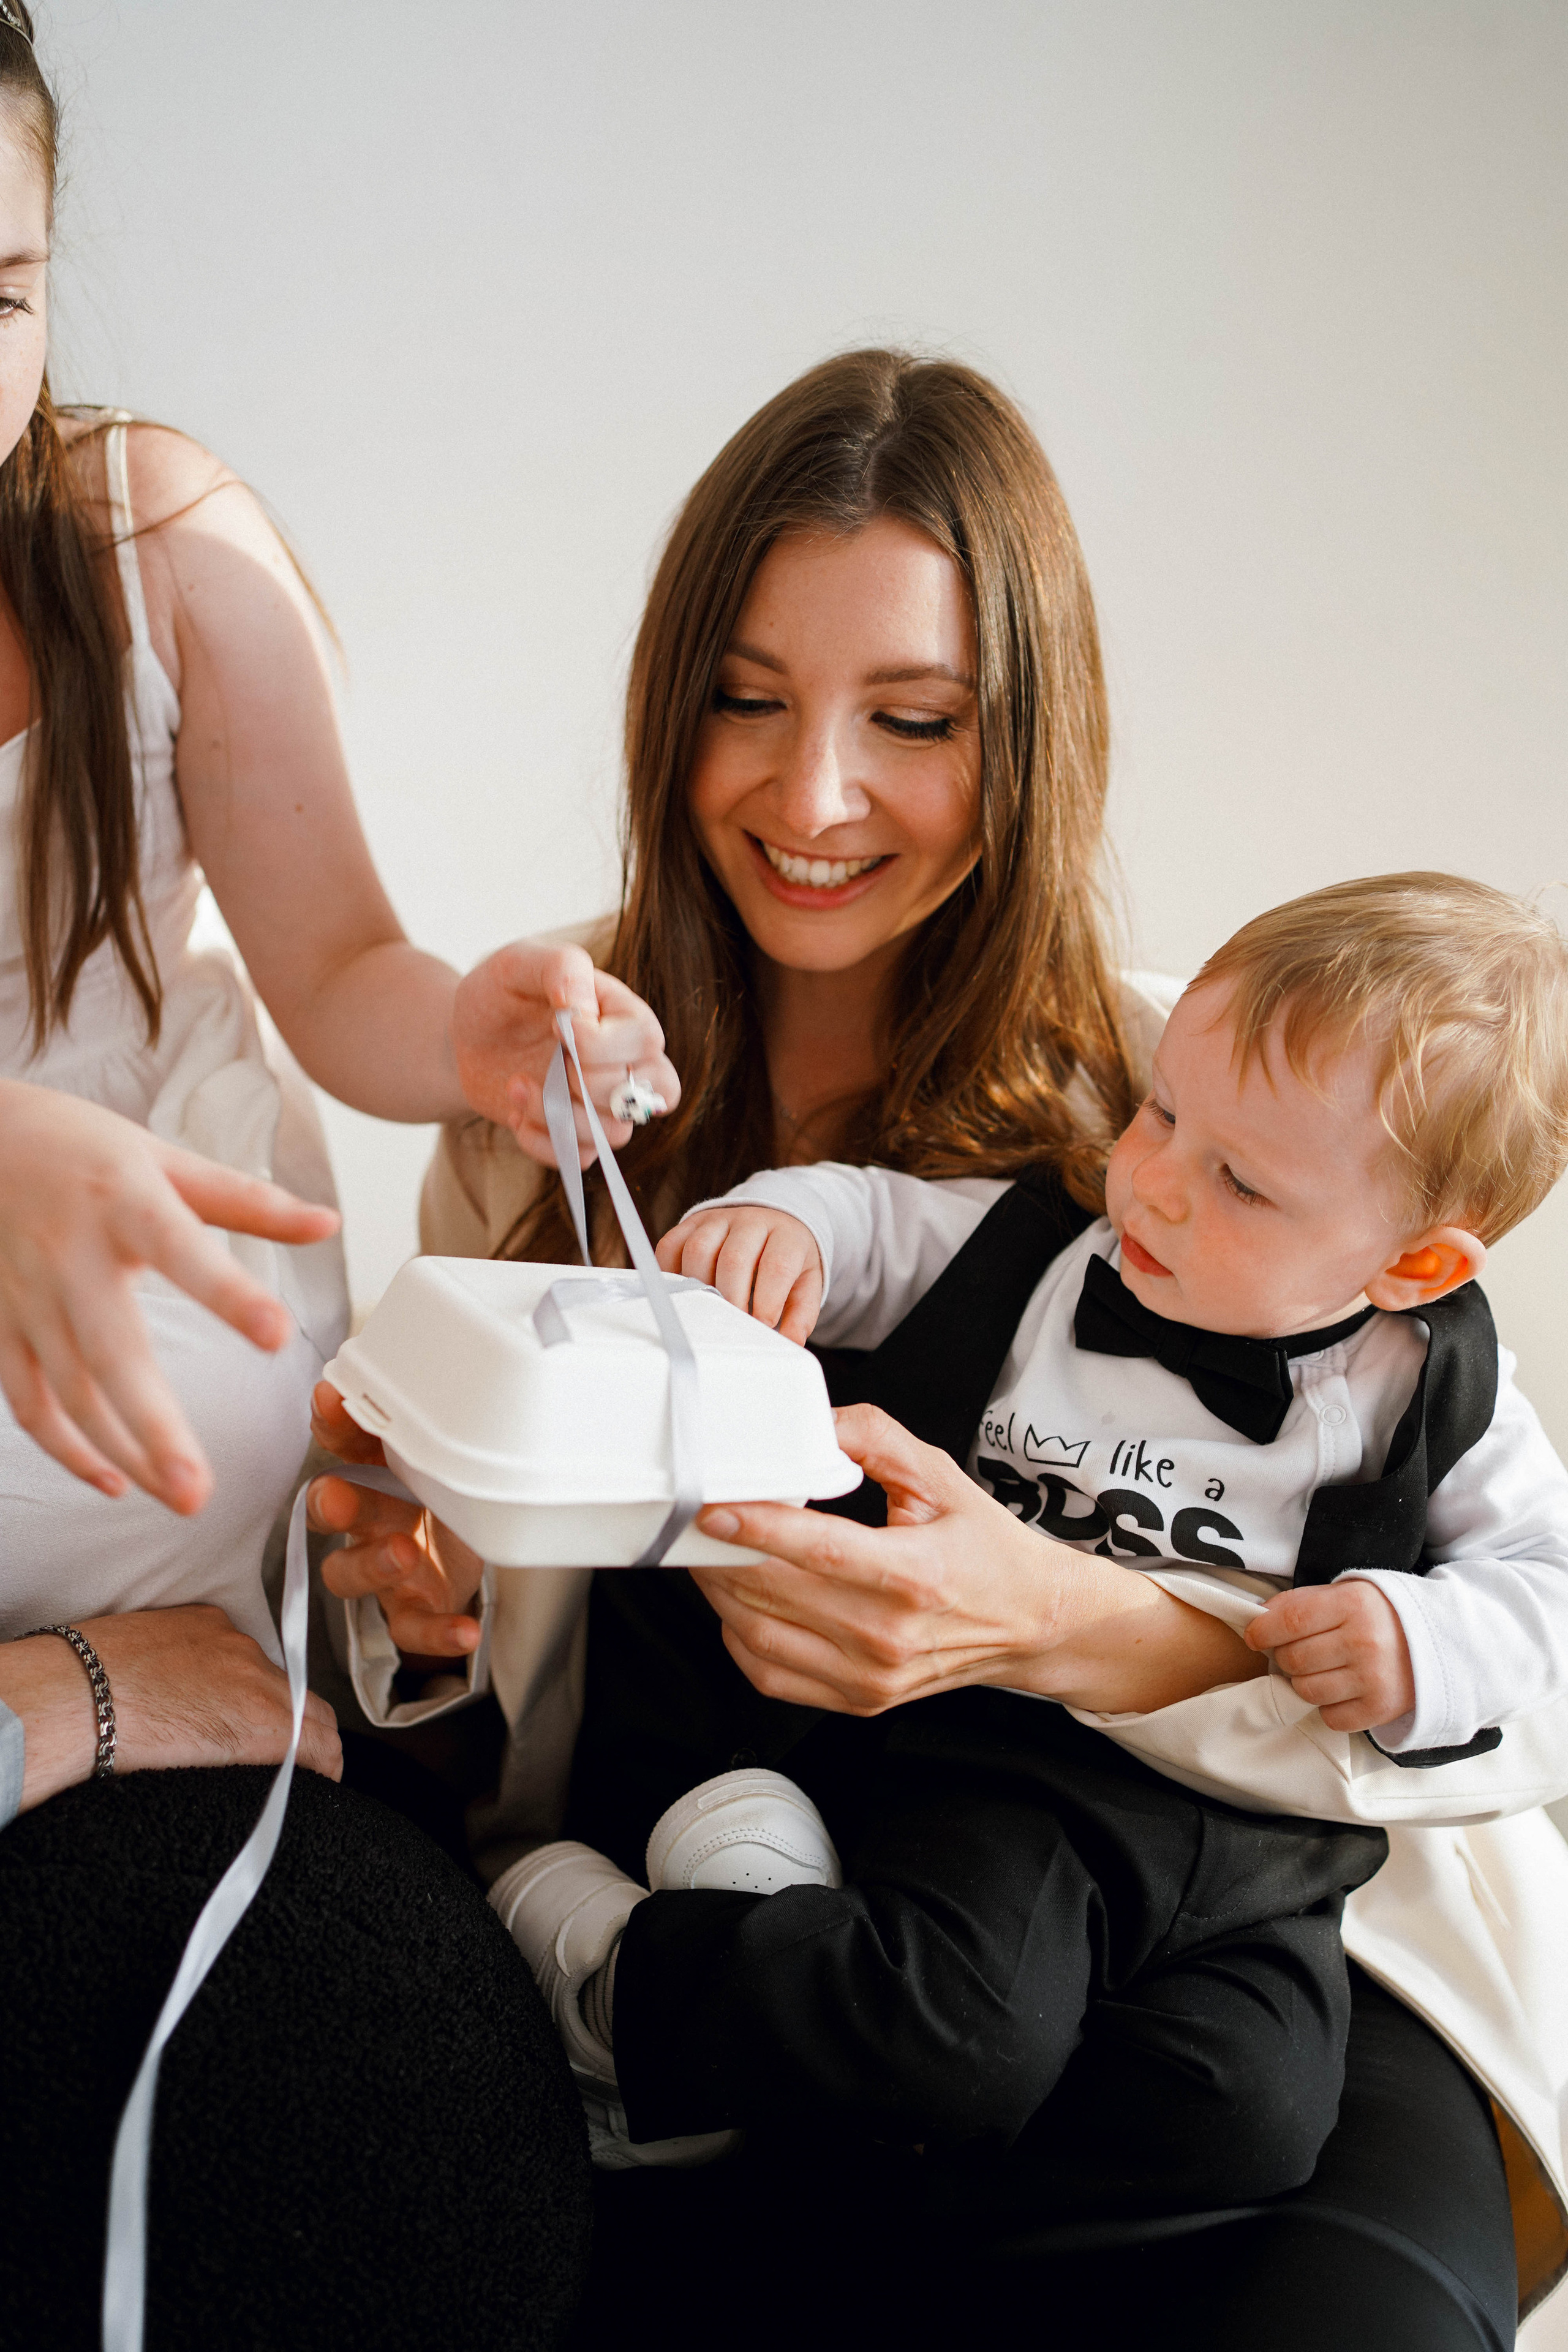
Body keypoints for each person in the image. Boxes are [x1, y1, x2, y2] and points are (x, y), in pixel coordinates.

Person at [313, 350, 1568, 2346]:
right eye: (747, 699)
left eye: (913, 721)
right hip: (783, 1911)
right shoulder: (551, 1103)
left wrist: (1069, 1626)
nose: (814, 797)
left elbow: (1498, 1670)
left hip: (1268, 1939)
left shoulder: (1196, 1088)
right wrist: (427, 1609)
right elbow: (494, 1680)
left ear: (1029, 739)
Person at [484, 872, 1558, 2175]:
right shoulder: (1048, 1252)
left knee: (1248, 2123)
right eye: (1162, 1111)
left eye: (1240, 1183)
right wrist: (784, 1224)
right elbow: (877, 1219)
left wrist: (1424, 1641)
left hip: (1258, 1838)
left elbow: (1542, 1587)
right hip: (1009, 1765)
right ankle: (611, 1971)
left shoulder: (1442, 1391)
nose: (1153, 1183)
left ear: (1414, 1264)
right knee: (958, 2033)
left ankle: (803, 2009)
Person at [0, 13, 592, 2343]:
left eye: (1, 290)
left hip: (215, 1660)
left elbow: (341, 958)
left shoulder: (146, 547)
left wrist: (476, 1032)